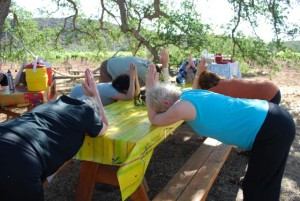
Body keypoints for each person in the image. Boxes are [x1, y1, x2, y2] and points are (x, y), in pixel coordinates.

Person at [145, 64, 295, 201]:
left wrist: (149, 87)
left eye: (164, 111)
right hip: (273, 117)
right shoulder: (190, 94)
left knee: (259, 190)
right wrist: (153, 87)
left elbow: (154, 120)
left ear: (166, 103)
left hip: (271, 128)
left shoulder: (180, 107)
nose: (168, 115)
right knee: (260, 184)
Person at [0, 69, 108, 201]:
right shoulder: (86, 113)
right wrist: (96, 94)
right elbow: (104, 126)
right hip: (21, 159)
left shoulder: (52, 104)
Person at [193, 58, 281, 104]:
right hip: (270, 87)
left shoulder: (214, 91)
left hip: (269, 95)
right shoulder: (223, 82)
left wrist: (197, 74)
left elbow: (194, 96)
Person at [70, 63, 140, 106]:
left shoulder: (115, 87)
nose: (132, 91)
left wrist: (135, 76)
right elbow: (129, 97)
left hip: (79, 89)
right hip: (77, 94)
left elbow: (136, 94)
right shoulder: (112, 91)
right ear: (124, 89)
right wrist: (132, 77)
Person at [99, 48, 170, 86]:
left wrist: (164, 65)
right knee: (108, 95)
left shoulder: (148, 66)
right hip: (107, 68)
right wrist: (165, 65)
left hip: (115, 66)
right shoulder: (144, 70)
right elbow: (161, 88)